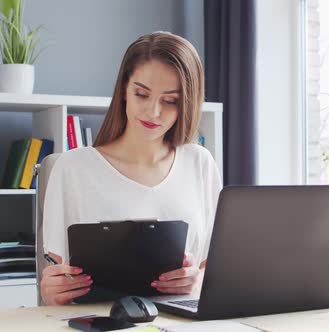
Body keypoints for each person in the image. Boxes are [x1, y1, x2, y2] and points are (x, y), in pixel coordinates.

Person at [40, 31, 222, 306]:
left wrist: (198, 281)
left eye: (170, 100)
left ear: (187, 102)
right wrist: (51, 290)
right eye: (142, 94)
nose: (153, 112)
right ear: (124, 89)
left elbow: (213, 267)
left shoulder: (200, 163)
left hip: (180, 321)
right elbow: (55, 276)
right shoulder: (72, 169)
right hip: (102, 321)